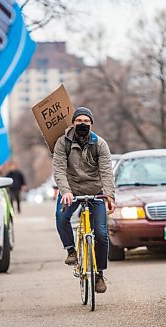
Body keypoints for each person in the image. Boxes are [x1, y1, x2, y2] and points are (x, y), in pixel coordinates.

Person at [52, 106, 115, 293]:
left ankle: (99, 274)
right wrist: (65, 192)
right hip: (70, 191)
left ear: (92, 124)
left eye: (86, 122)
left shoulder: (100, 144)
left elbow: (106, 171)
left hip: (94, 191)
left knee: (102, 235)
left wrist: (109, 195)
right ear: (73, 123)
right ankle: (71, 250)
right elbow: (59, 170)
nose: (82, 124)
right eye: (79, 121)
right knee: (61, 218)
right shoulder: (62, 143)